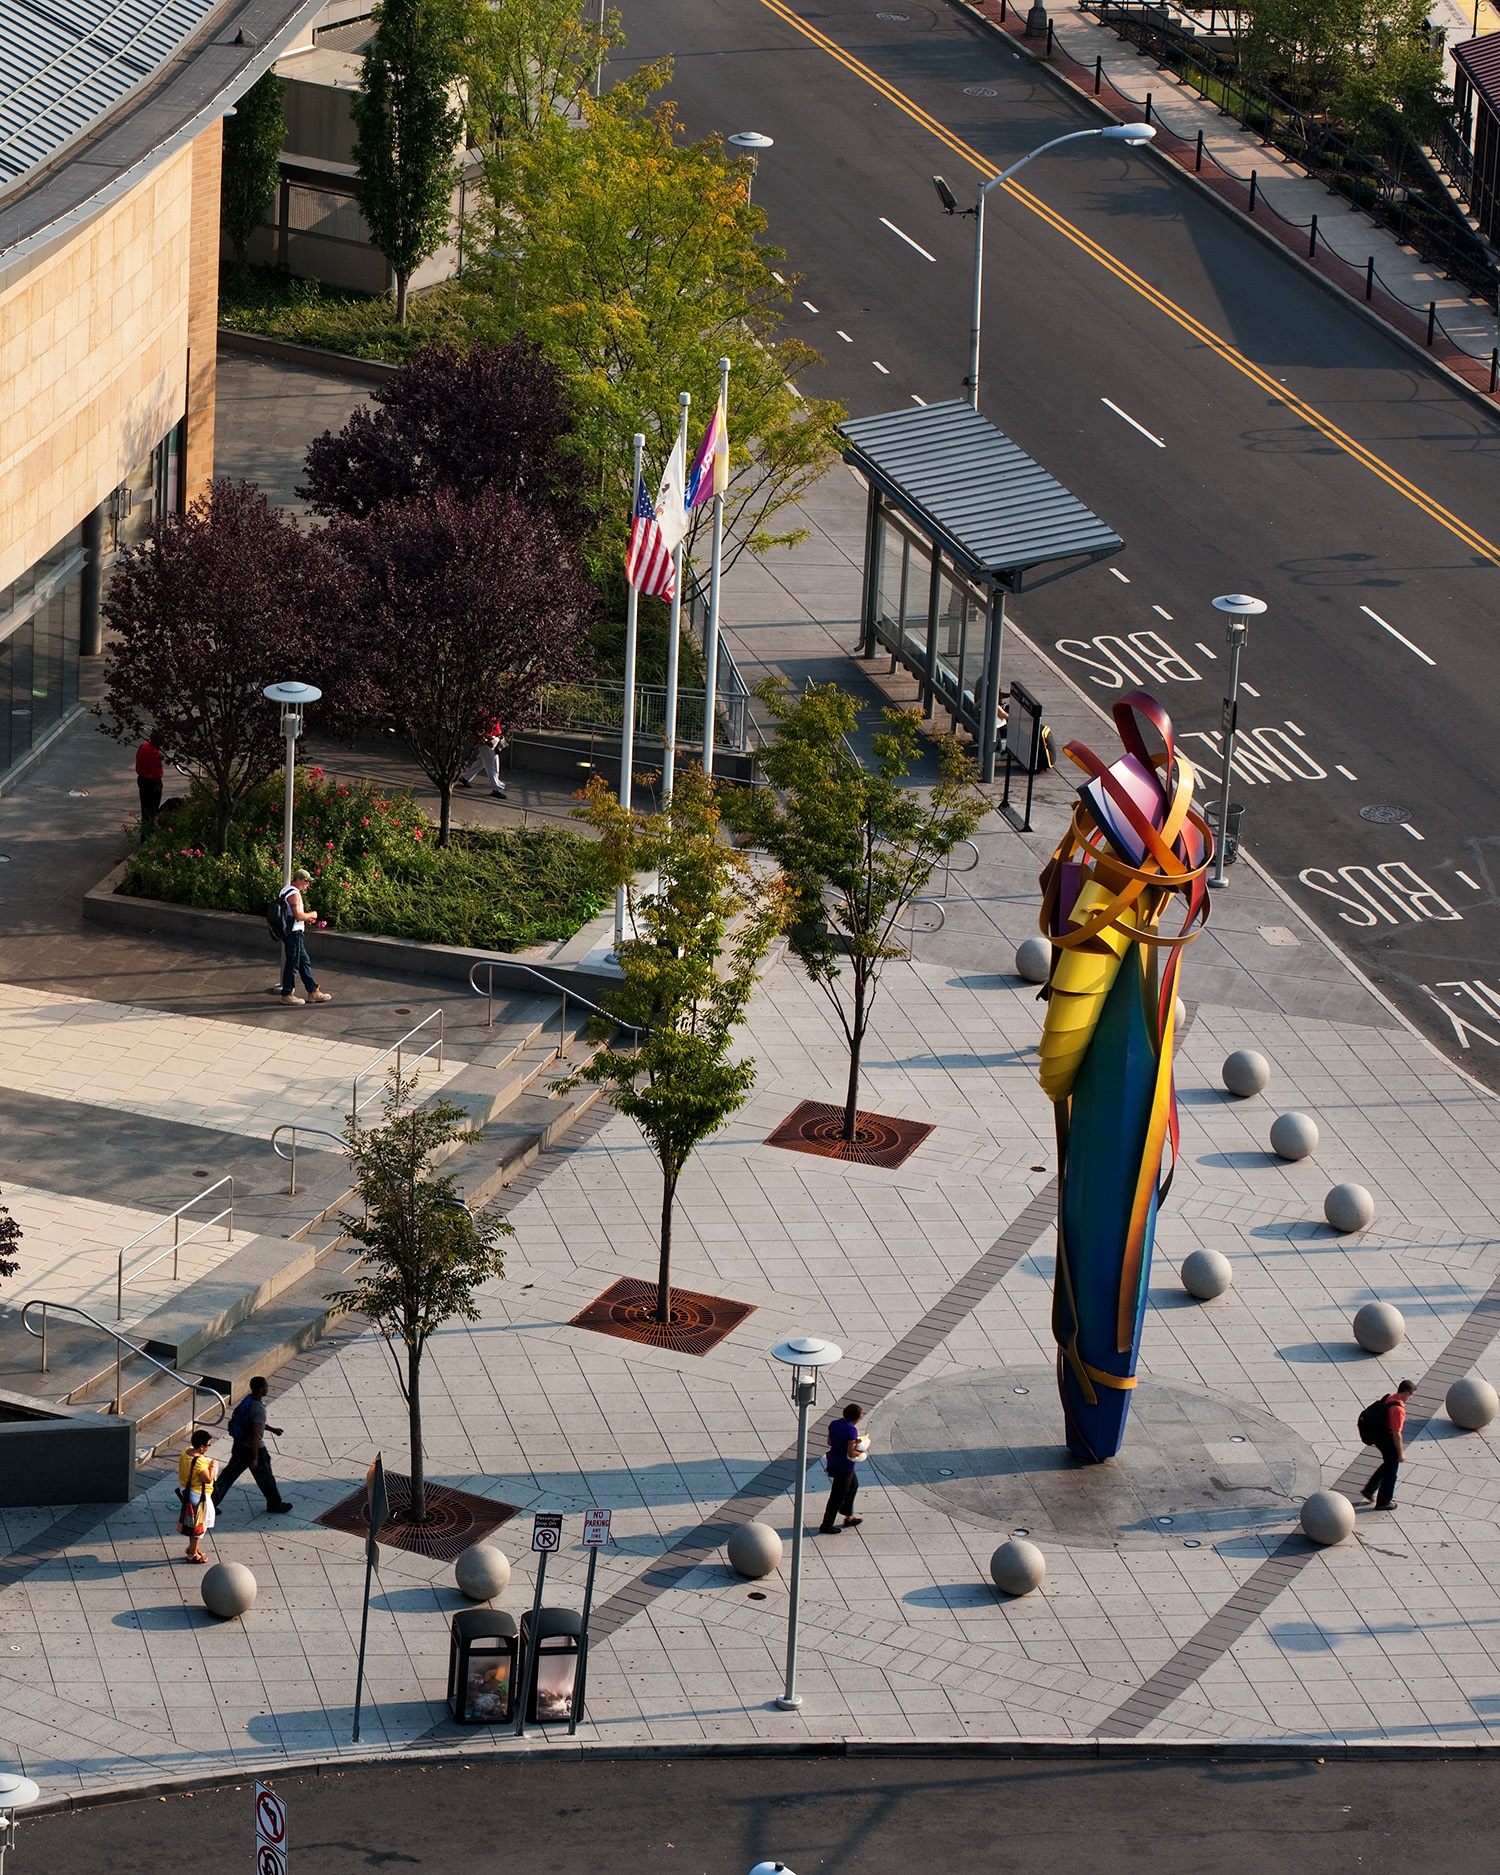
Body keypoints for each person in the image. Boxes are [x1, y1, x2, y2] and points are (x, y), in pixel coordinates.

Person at [212, 1376, 294, 1515]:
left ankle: (211, 1502)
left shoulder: (248, 1401)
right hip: (253, 1449)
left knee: (228, 1475)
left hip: (239, 1446)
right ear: (261, 1389)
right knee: (266, 1478)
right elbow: (256, 1434)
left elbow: (254, 1424)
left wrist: (272, 1429)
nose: (268, 1388)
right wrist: (255, 1457)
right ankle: (275, 1504)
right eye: (266, 1386)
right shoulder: (259, 1408)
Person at [277, 869, 332, 1007]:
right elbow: (298, 916)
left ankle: (313, 991)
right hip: (294, 933)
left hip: (293, 933)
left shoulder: (285, 890)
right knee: (293, 963)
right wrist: (312, 915)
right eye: (306, 881)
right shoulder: (294, 894)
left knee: (303, 962)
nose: (306, 884)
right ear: (299, 879)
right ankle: (287, 994)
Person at [1362, 1378, 1416, 1509]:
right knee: (1392, 1472)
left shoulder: (1390, 1398)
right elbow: (1396, 1433)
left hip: (1379, 1436)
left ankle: (1369, 1489)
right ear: (1405, 1394)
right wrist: (1400, 1452)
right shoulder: (1398, 1409)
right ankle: (1384, 1501)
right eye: (1411, 1395)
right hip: (1387, 1439)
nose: (1410, 1398)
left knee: (1388, 1464)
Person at [819, 1402, 868, 1533]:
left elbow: (829, 1442)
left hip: (833, 1462)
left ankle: (848, 1515)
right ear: (856, 1417)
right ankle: (826, 1525)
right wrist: (862, 1452)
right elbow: (851, 1453)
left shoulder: (834, 1424)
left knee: (853, 1486)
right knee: (837, 1496)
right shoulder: (851, 1429)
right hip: (845, 1467)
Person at [177, 1429, 217, 1563]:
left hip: (186, 1490)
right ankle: (193, 1554)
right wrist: (213, 1466)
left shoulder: (186, 1451)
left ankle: (194, 1547)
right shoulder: (199, 1462)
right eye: (208, 1445)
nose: (208, 1447)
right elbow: (207, 1478)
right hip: (198, 1496)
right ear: (201, 1447)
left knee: (194, 1524)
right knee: (200, 1526)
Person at [456, 718, 507, 798]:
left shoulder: (487, 711)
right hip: (489, 741)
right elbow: (475, 728)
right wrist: (486, 740)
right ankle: (496, 789)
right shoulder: (485, 712)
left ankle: (465, 777)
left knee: (482, 762)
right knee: (493, 765)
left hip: (490, 739)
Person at [135, 736, 164, 828]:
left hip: (141, 779)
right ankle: (150, 830)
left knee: (145, 807)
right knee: (152, 809)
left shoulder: (144, 745)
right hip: (152, 783)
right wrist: (159, 783)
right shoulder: (154, 753)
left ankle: (145, 833)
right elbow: (156, 772)